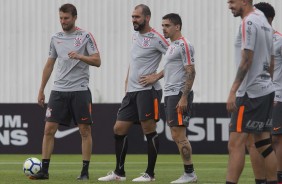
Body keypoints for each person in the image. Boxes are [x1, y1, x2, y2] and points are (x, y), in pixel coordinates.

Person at [98, 4, 169, 182]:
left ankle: (150, 174)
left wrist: (157, 76)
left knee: (148, 130)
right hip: (132, 91)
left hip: (148, 91)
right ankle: (119, 173)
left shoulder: (157, 38)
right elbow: (135, 60)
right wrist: (127, 80)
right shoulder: (135, 35)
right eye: (132, 17)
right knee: (119, 129)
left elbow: (176, 59)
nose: (133, 20)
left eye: (137, 17)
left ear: (147, 18)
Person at [30, 3, 101, 180]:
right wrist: (41, 90)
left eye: (66, 18)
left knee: (85, 131)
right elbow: (49, 65)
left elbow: (97, 61)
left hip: (80, 91)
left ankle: (84, 172)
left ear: (74, 17)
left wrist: (80, 56)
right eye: (60, 18)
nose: (63, 21)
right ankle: (44, 171)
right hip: (58, 91)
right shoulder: (55, 37)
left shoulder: (85, 36)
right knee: (48, 130)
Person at [226, 0, 277, 183]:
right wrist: (268, 85)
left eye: (232, 1)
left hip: (249, 93)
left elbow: (247, 59)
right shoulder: (264, 20)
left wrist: (233, 90)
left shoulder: (248, 22)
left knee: (235, 144)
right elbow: (271, 61)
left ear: (244, 1)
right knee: (264, 144)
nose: (229, 5)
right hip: (265, 90)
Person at [161, 13, 197, 183]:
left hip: (178, 94)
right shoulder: (171, 46)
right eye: (163, 26)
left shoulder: (184, 45)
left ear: (177, 27)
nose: (164, 29)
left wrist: (184, 97)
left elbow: (191, 71)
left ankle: (189, 174)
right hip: (169, 94)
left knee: (179, 135)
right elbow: (171, 69)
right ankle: (189, 173)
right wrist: (156, 76)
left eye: (167, 25)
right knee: (176, 135)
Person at [253, 2, 282, 184]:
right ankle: (263, 179)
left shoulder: (278, 40)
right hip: (256, 98)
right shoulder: (254, 40)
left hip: (277, 97)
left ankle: (278, 179)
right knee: (258, 141)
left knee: (276, 139)